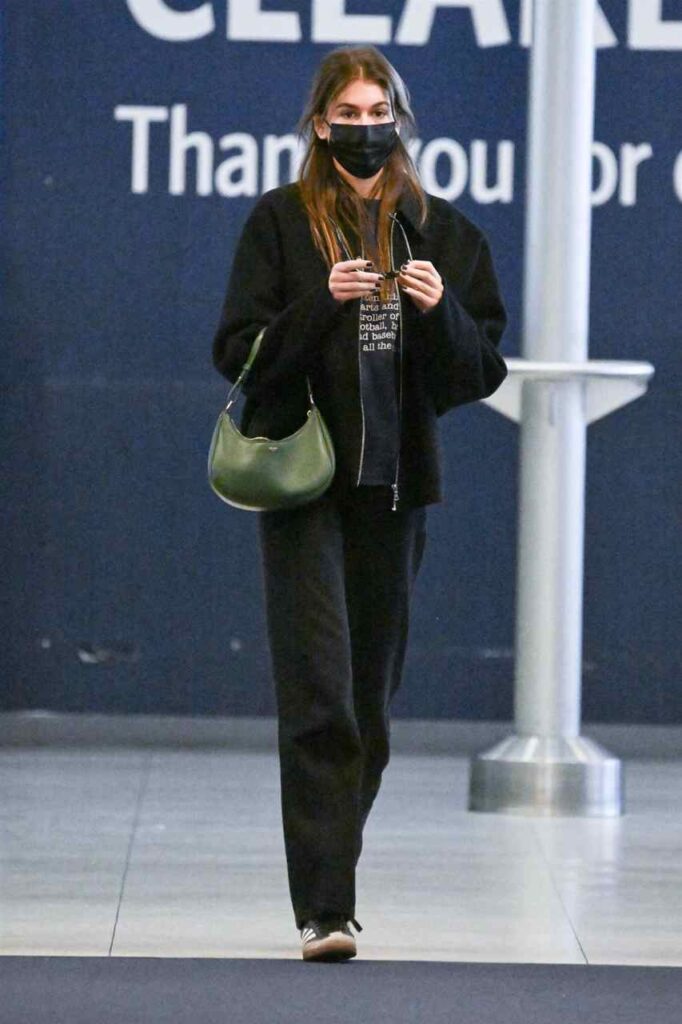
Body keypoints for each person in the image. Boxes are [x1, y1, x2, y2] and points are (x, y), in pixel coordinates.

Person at [211, 45, 508, 962]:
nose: (364, 126)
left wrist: (438, 312)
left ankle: (333, 866)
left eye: (379, 109)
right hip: (304, 490)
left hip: (395, 495)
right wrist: (320, 304)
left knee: (369, 713)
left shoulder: (443, 233)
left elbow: (480, 370)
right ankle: (326, 910)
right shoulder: (279, 224)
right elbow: (237, 352)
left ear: (401, 121)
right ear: (319, 125)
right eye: (347, 112)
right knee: (319, 696)